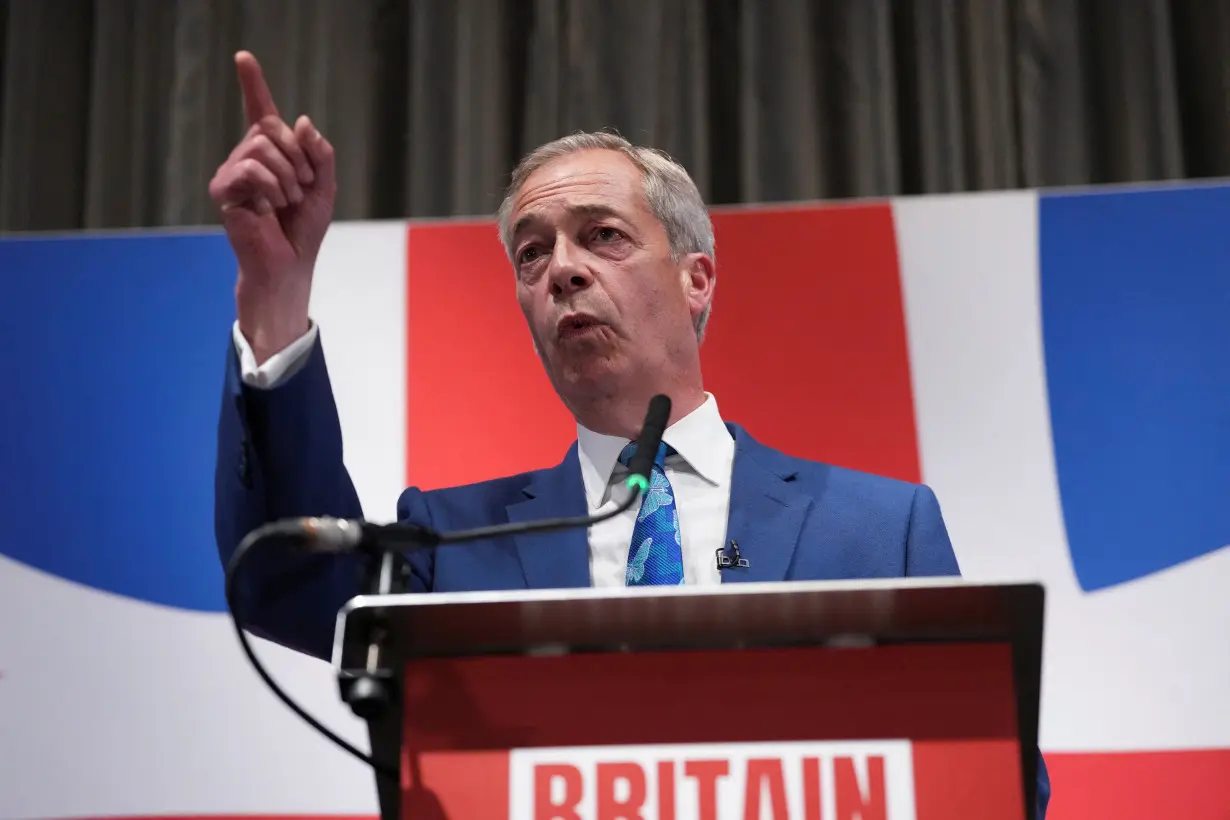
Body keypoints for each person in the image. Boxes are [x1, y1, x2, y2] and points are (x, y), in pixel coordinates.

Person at [211, 52, 1049, 815]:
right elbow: (282, 584)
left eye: (602, 236)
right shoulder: (453, 542)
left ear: (696, 278)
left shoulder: (878, 530)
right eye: (532, 254)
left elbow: (993, 781)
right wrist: (276, 296)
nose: (563, 269)